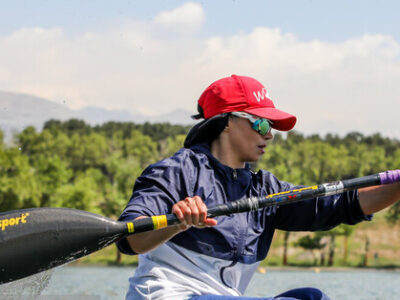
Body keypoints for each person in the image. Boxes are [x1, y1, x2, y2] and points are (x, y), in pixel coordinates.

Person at [117, 75, 400, 300]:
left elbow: (346, 205)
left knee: (315, 298)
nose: (270, 135)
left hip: (223, 297)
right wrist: (176, 224)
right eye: (262, 124)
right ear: (228, 122)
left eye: (271, 127)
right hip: (170, 296)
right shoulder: (175, 172)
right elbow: (131, 239)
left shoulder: (265, 189)